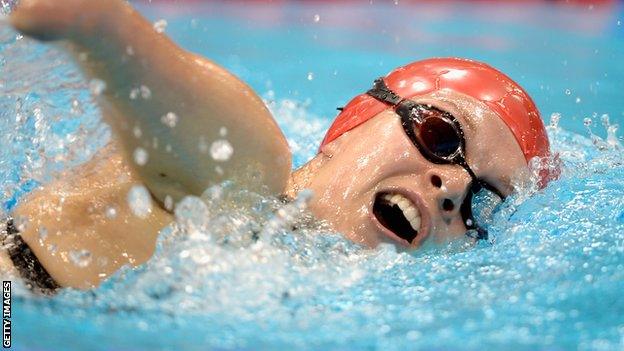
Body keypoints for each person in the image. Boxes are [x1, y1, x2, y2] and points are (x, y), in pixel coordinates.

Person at [0, 0, 557, 294]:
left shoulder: (305, 298)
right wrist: (103, 30)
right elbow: (217, 142)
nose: (453, 187)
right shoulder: (245, 169)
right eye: (442, 136)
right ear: (354, 124)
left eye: (483, 203)